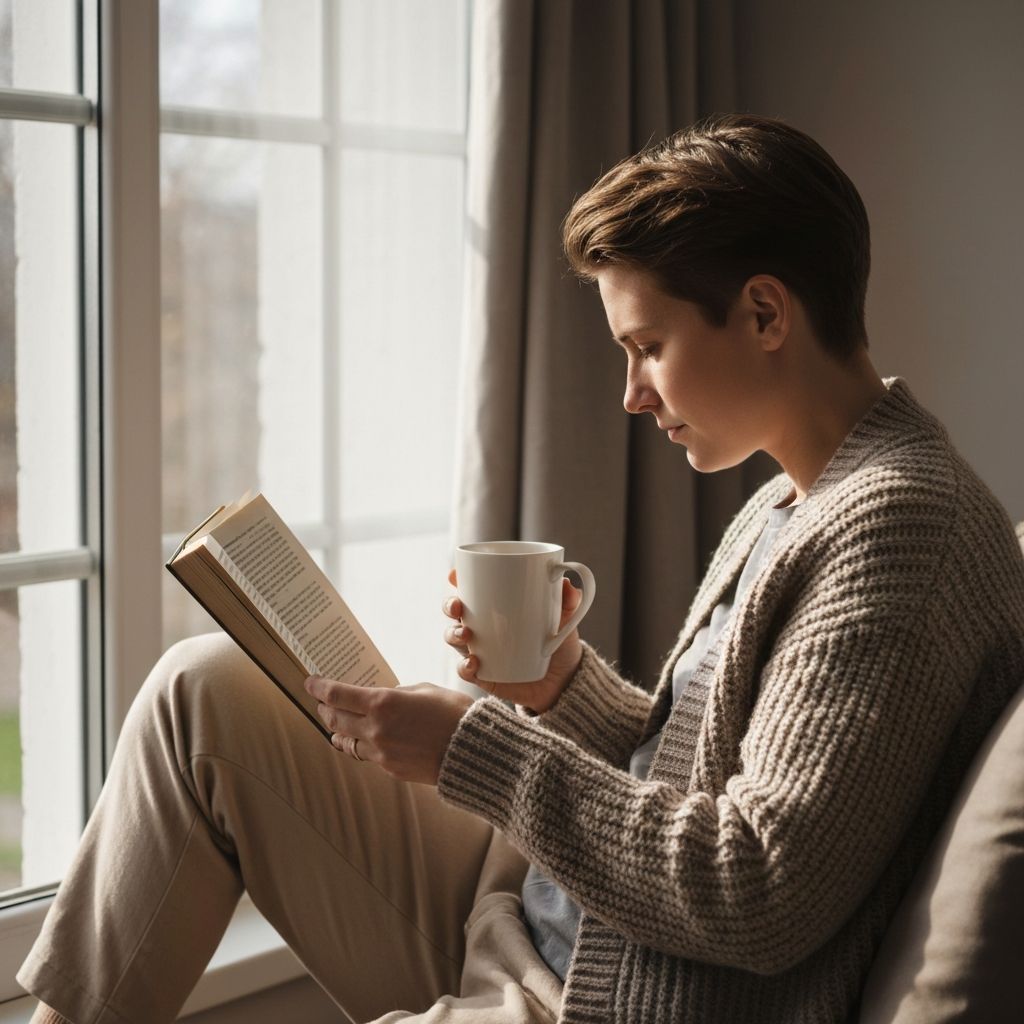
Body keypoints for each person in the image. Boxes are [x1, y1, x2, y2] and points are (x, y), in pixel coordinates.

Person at [19, 114, 1024, 1024]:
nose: (632, 394)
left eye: (647, 346)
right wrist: (563, 691)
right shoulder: (794, 495)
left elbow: (752, 890)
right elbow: (688, 767)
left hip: (594, 995)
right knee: (204, 690)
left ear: (765, 315)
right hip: (546, 914)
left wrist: (479, 751)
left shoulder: (900, 531)